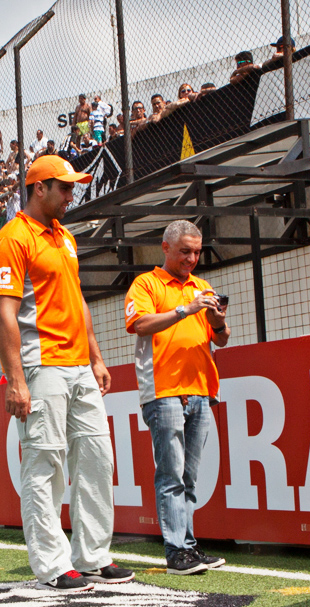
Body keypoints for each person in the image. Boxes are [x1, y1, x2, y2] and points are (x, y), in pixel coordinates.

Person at [0, 154, 133, 593]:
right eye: (65, 187)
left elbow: (78, 300)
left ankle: (91, 557)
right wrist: (15, 379)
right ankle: (52, 564)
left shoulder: (65, 237)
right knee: (45, 462)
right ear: (39, 188)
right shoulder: (12, 239)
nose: (72, 195)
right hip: (40, 364)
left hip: (77, 365)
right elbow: (4, 314)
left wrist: (96, 356)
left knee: (96, 459)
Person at [124, 220, 230, 576]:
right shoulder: (146, 284)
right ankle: (176, 551)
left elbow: (222, 338)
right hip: (163, 391)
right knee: (171, 475)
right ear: (166, 248)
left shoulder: (202, 286)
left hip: (201, 390)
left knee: (189, 476)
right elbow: (140, 324)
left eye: (197, 252)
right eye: (185, 251)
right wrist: (186, 309)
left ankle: (188, 546)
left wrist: (216, 320)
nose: (192, 258)